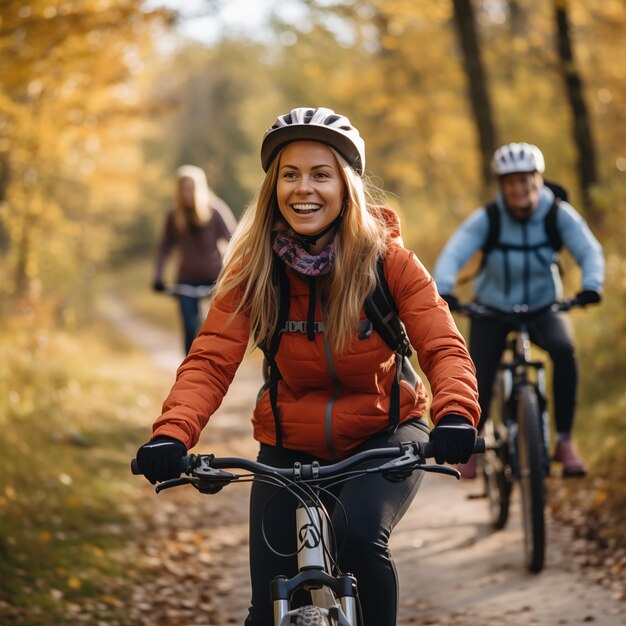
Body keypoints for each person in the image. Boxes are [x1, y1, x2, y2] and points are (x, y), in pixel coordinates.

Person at [136, 107, 480, 626]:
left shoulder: (390, 263)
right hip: (287, 443)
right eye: (290, 175)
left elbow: (443, 346)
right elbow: (209, 361)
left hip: (382, 435)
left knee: (358, 539)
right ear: (274, 187)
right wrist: (171, 436)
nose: (305, 189)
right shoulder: (254, 271)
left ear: (346, 187)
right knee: (265, 609)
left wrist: (454, 415)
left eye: (321, 174)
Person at [434, 142, 604, 478]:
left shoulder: (557, 213)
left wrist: (592, 286)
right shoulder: (490, 217)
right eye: (511, 182)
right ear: (502, 186)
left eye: (526, 180)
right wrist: (446, 289)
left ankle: (565, 441)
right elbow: (453, 253)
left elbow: (589, 250)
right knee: (478, 370)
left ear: (539, 180)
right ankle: (473, 443)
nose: (519, 188)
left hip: (545, 305)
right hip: (492, 308)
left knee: (564, 350)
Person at [152, 164, 237, 354]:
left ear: (199, 188)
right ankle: (188, 375)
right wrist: (158, 277)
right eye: (182, 189)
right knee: (190, 328)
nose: (186, 193)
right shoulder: (173, 215)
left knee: (213, 330)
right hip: (186, 282)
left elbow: (235, 241)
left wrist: (235, 273)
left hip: (214, 279)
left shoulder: (215, 210)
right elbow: (163, 249)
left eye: (190, 188)